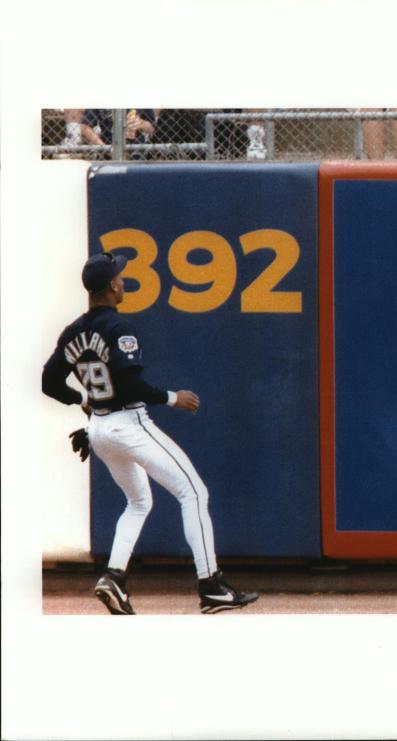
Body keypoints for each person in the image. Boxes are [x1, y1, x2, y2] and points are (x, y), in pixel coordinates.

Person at [41, 252, 259, 615]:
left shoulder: (73, 331)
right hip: (129, 424)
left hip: (100, 429)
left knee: (139, 502)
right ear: (112, 285)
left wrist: (83, 399)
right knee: (193, 492)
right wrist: (172, 398)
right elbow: (128, 383)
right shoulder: (119, 328)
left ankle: (113, 577)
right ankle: (211, 585)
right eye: (120, 277)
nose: (123, 281)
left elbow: (49, 381)